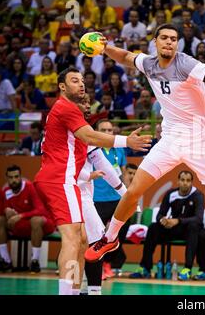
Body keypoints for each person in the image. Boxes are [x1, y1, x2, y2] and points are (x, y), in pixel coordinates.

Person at [84, 24, 205, 263]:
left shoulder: (186, 64)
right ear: (155, 42)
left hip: (200, 140)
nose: (169, 42)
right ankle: (110, 237)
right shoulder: (148, 64)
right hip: (171, 138)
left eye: (173, 39)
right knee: (134, 189)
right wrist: (105, 48)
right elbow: (124, 56)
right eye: (164, 38)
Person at [33, 66, 150, 295]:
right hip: (60, 180)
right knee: (72, 239)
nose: (81, 84)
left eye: (82, 80)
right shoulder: (65, 108)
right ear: (62, 87)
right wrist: (127, 141)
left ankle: (77, 291)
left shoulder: (69, 112)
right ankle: (68, 293)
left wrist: (122, 189)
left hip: (68, 181)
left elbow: (95, 149)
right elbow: (90, 136)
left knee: (83, 239)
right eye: (74, 80)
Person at [75, 95, 128, 295]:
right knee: (92, 243)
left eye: (89, 103)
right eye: (83, 103)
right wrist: (88, 175)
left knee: (83, 244)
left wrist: (125, 192)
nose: (88, 106)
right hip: (77, 194)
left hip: (86, 195)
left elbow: (107, 167)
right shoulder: (72, 132)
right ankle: (88, 290)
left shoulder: (88, 138)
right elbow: (63, 166)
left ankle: (82, 289)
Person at [129, 170, 204, 280]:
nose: (185, 183)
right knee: (153, 228)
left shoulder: (198, 195)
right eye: (182, 180)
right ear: (178, 181)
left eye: (188, 180)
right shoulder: (171, 194)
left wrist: (178, 220)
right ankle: (145, 268)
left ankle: (187, 269)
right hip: (173, 228)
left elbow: (198, 218)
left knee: (194, 227)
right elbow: (160, 214)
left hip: (189, 230)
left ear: (192, 182)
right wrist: (163, 220)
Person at [0, 165, 56, 273]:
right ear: (7, 178)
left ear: (20, 177)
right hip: (21, 225)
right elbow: (3, 213)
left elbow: (41, 211)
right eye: (11, 178)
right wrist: (7, 212)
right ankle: (6, 261)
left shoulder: (29, 187)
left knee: (36, 220)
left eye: (16, 177)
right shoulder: (5, 191)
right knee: (0, 220)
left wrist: (20, 215)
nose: (14, 180)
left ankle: (35, 261)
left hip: (43, 225)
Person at [92, 119, 130, 280]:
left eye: (110, 130)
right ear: (96, 131)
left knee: (117, 233)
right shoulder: (92, 148)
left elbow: (124, 172)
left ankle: (107, 263)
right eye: (104, 130)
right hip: (97, 200)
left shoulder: (118, 150)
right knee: (97, 236)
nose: (108, 133)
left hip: (116, 199)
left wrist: (128, 195)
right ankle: (99, 266)